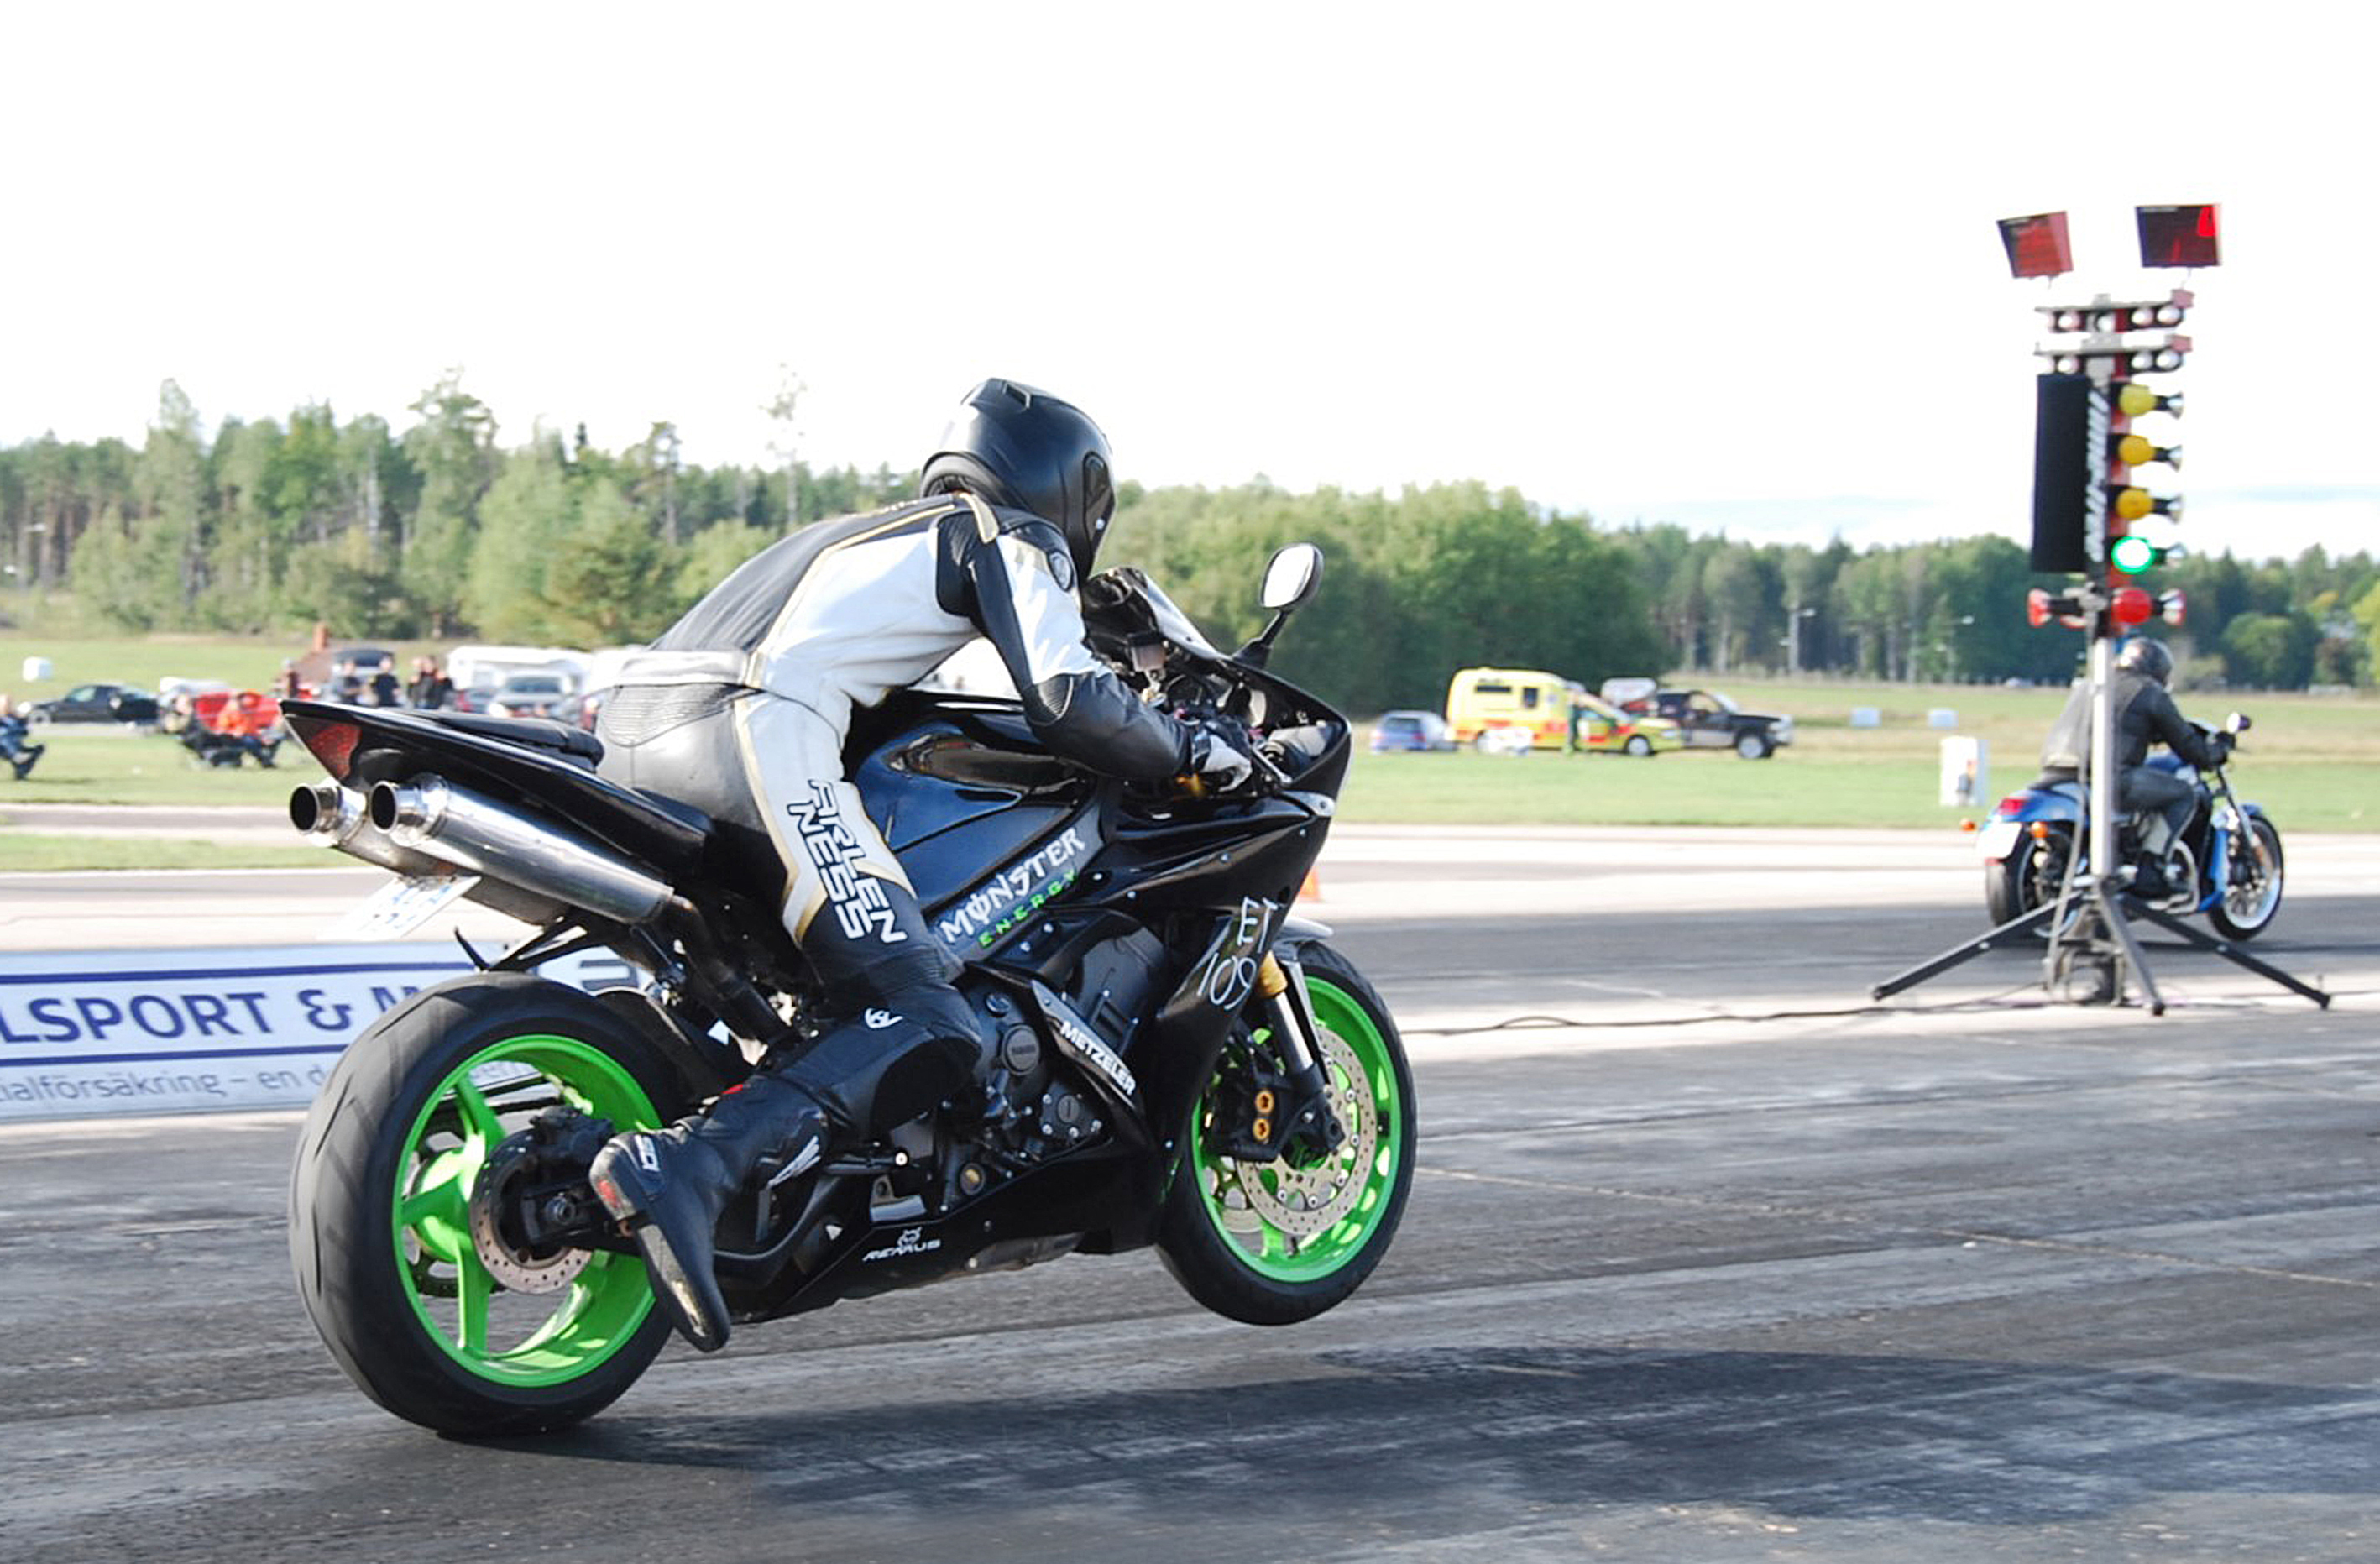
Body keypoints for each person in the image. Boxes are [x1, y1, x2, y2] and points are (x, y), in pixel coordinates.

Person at [586, 380, 1253, 1352]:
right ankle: (693, 1166)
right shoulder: (1007, 534)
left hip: (631, 732)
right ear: (1072, 487)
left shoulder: (859, 535)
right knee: (927, 1012)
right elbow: (1068, 696)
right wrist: (1189, 749)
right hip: (750, 732)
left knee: (820, 983)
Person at [2037, 636, 2227, 898]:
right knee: (2184, 794)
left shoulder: (2090, 684)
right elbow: (2188, 745)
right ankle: (2152, 867)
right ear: (2158, 669)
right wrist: (2215, 752)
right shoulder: (2149, 692)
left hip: (2055, 771)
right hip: (2107, 777)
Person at [0, 693, 44, 781]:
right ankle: (17, 757)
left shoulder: (16, 718)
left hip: (17, 747)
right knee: (6, 738)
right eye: (4, 704)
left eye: (9, 704)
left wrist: (23, 719)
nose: (7, 706)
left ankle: (22, 770)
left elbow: (25, 732)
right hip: (3, 748)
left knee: (40, 748)